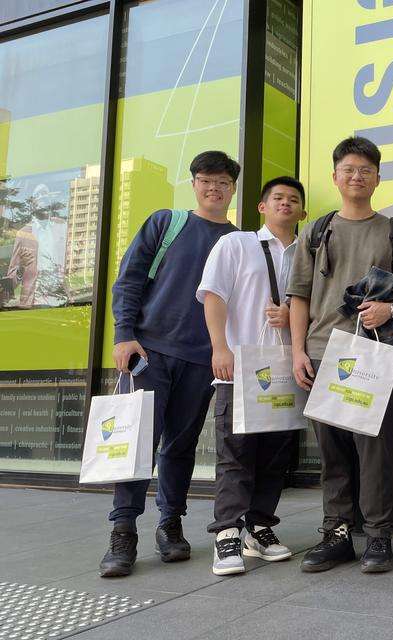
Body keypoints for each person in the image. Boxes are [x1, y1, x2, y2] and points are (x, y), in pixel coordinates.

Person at [100, 150, 241, 577]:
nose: (214, 188)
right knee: (138, 444)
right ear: (194, 183)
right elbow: (129, 279)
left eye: (223, 182)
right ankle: (122, 532)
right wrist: (125, 335)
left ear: (233, 189)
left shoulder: (238, 240)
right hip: (150, 353)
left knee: (180, 446)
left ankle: (170, 524)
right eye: (206, 180)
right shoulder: (167, 223)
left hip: (202, 360)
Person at [288, 137, 393, 574]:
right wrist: (297, 351)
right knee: (333, 452)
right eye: (349, 170)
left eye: (365, 170)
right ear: (335, 176)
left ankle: (378, 538)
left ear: (378, 178)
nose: (357, 176)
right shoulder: (317, 230)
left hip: (376, 357)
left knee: (376, 451)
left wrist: (390, 308)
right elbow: (299, 296)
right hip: (324, 354)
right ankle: (336, 534)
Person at [197, 176, 307, 576]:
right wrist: (219, 347)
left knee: (276, 455)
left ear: (303, 212)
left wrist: (293, 317)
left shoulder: (305, 254)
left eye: (293, 200)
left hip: (286, 370)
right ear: (261, 206)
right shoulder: (235, 244)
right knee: (236, 454)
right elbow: (213, 296)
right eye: (277, 198)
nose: (285, 204)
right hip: (241, 366)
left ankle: (258, 527)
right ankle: (226, 533)